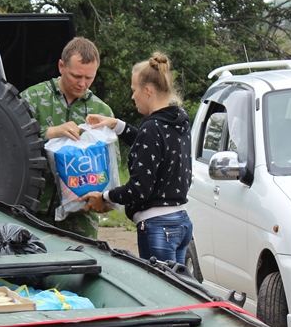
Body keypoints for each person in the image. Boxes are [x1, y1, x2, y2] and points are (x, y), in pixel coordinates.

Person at [82, 52, 193, 263]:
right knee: (176, 292)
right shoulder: (178, 120)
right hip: (181, 222)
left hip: (157, 226)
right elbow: (153, 147)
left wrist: (105, 197)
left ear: (148, 91)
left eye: (134, 90)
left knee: (158, 293)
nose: (133, 96)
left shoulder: (152, 128)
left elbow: (138, 190)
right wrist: (116, 124)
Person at [20, 37, 113, 238]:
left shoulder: (101, 111)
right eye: (76, 76)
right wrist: (49, 133)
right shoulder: (32, 99)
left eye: (89, 78)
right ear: (61, 66)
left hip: (80, 217)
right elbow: (11, 142)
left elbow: (111, 165)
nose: (82, 84)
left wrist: (107, 201)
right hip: (34, 210)